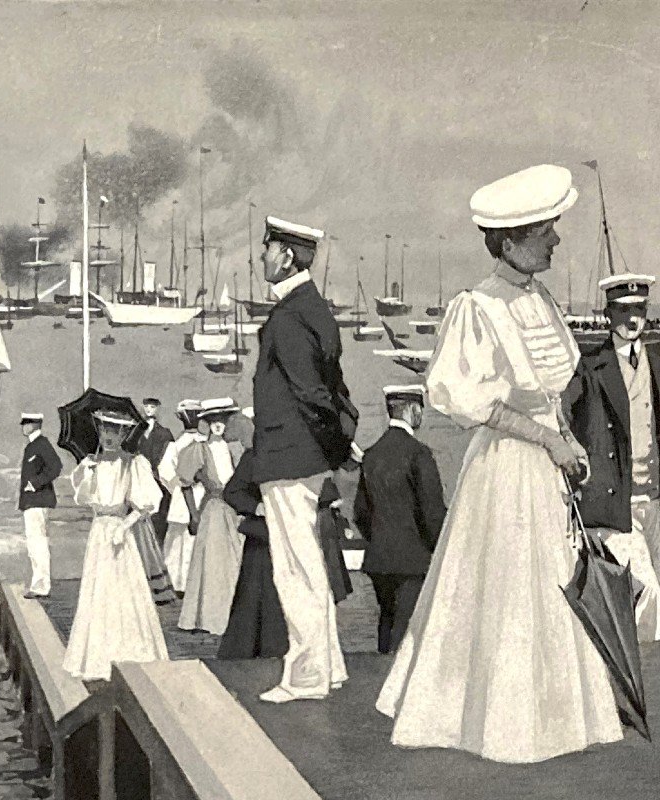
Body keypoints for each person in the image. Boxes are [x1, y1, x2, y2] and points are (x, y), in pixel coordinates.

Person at [376, 164, 622, 763]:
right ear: (510, 242)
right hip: (506, 470)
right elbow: (467, 399)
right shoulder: (476, 307)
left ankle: (557, 719)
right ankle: (498, 724)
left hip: (546, 467)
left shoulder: (542, 301)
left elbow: (550, 389)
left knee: (552, 584)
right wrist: (547, 439)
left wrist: (566, 440)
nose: (557, 241)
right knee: (505, 587)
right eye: (547, 232)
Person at [251, 216, 353, 703]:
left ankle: (307, 676)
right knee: (309, 563)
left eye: (268, 248)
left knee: (294, 570)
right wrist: (340, 444)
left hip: (287, 457)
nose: (262, 257)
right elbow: (334, 389)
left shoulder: (289, 316)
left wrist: (332, 442)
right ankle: (327, 668)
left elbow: (313, 394)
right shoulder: (315, 309)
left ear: (287, 257)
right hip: (306, 457)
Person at [562, 273, 660, 641]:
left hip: (656, 499)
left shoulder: (657, 359)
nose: (633, 319)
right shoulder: (590, 367)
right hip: (614, 502)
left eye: (639, 309)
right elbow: (561, 418)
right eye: (623, 311)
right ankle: (649, 679)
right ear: (608, 315)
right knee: (649, 591)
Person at [62, 410, 169, 681]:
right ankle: (97, 659)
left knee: (123, 590)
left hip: (121, 533)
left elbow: (146, 504)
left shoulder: (133, 463)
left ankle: (128, 653)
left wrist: (124, 525)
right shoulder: (92, 462)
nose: (109, 437)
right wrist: (87, 474)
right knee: (98, 590)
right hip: (99, 533)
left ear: (124, 435)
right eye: (105, 431)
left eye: (116, 432)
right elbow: (83, 499)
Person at [353, 385, 447, 654]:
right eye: (420, 410)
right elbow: (431, 512)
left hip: (379, 558)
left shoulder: (371, 455)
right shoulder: (419, 454)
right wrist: (439, 546)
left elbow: (361, 511)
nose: (422, 416)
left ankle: (381, 674)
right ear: (411, 410)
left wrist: (379, 537)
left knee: (387, 621)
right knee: (408, 630)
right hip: (413, 558)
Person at [177, 398, 245, 635]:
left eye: (222, 421)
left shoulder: (234, 449)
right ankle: (208, 619)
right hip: (213, 509)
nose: (218, 425)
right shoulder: (199, 450)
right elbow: (185, 483)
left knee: (234, 561)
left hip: (233, 510)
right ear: (205, 423)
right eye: (213, 421)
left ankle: (232, 617)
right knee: (212, 562)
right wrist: (193, 515)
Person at [217, 448, 288, 660]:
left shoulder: (305, 453)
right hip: (262, 539)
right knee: (254, 595)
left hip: (296, 536)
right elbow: (232, 492)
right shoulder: (254, 455)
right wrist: (256, 507)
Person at [158, 400, 205, 595]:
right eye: (188, 415)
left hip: (202, 494)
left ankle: (195, 583)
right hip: (182, 496)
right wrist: (178, 487)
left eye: (195, 414)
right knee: (177, 542)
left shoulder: (205, 442)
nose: (192, 418)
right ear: (181, 418)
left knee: (197, 541)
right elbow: (164, 472)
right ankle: (177, 583)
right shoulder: (175, 445)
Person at [18, 413, 63, 600]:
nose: (22, 427)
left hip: (38, 500)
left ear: (35, 425)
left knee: (38, 544)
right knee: (34, 544)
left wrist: (36, 483)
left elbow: (56, 467)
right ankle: (39, 584)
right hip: (32, 502)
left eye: (26, 423)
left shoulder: (41, 444)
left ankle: (41, 586)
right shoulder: (32, 446)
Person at [136, 397, 175, 543]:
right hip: (139, 476)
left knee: (159, 513)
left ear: (157, 409)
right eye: (146, 406)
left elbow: (171, 456)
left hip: (157, 478)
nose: (148, 410)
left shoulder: (165, 433)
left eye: (152, 407)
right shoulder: (135, 431)